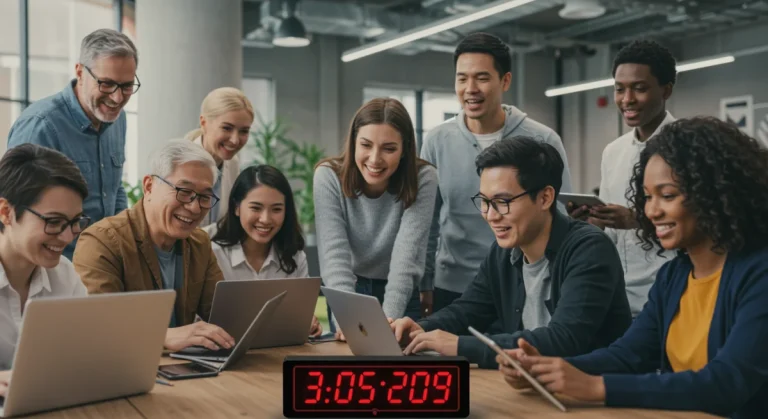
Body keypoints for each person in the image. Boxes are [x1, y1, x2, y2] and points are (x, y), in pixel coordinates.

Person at [500, 117, 768, 419]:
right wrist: (547, 369)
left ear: (716, 193)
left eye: (668, 195)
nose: (651, 211)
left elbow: (726, 384)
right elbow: (628, 355)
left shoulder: (759, 274)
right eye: (647, 196)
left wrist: (596, 387)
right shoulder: (675, 276)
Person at [391, 137, 630, 368]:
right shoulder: (504, 252)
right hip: (535, 388)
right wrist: (420, 328)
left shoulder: (589, 250)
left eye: (502, 201)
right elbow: (468, 310)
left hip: (592, 398)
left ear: (545, 198)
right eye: (484, 201)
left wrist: (459, 346)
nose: (491, 215)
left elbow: (564, 340)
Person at [420, 32, 572, 315]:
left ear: (505, 81)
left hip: (523, 285)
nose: (470, 88)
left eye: (482, 77)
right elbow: (426, 224)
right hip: (453, 286)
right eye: (462, 78)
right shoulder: (436, 141)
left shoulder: (543, 139)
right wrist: (425, 282)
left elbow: (561, 214)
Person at [73, 140, 234, 353]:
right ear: (149, 186)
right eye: (184, 191)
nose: (195, 207)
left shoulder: (199, 243)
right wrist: (163, 336)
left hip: (184, 368)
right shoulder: (102, 242)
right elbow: (98, 327)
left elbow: (222, 315)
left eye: (205, 196)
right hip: (125, 370)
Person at [7, 28, 139, 260]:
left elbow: (114, 189)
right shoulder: (41, 125)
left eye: (127, 86)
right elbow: (17, 212)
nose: (118, 98)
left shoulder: (118, 118)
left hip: (104, 261)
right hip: (57, 264)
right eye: (107, 84)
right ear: (80, 72)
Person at [569, 39, 677, 316]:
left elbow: (704, 223)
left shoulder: (688, 147)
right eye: (619, 89)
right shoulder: (613, 152)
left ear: (666, 90)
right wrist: (593, 220)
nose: (627, 99)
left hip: (671, 292)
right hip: (620, 294)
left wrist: (636, 219)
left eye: (639, 88)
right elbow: (611, 231)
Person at [314, 98, 438, 339]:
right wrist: (348, 319)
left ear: (404, 149)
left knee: (401, 369)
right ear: (353, 143)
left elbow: (407, 257)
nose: (374, 159)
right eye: (366, 145)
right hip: (349, 291)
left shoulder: (423, 178)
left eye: (389, 149)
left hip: (401, 291)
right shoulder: (328, 176)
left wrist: (385, 323)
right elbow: (334, 257)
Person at [0, 144, 90, 369]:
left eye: (74, 222)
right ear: (5, 213)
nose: (68, 236)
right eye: (53, 222)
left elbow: (83, 354)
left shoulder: (64, 276)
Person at [210, 164, 322, 337]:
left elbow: (300, 319)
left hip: (278, 356)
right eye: (256, 208)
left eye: (276, 209)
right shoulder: (213, 254)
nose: (265, 219)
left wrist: (309, 324)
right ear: (236, 208)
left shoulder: (295, 257)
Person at [185, 87, 255, 232]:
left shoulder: (233, 164)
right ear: (204, 123)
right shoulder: (179, 163)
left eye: (244, 131)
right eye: (227, 128)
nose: (235, 140)